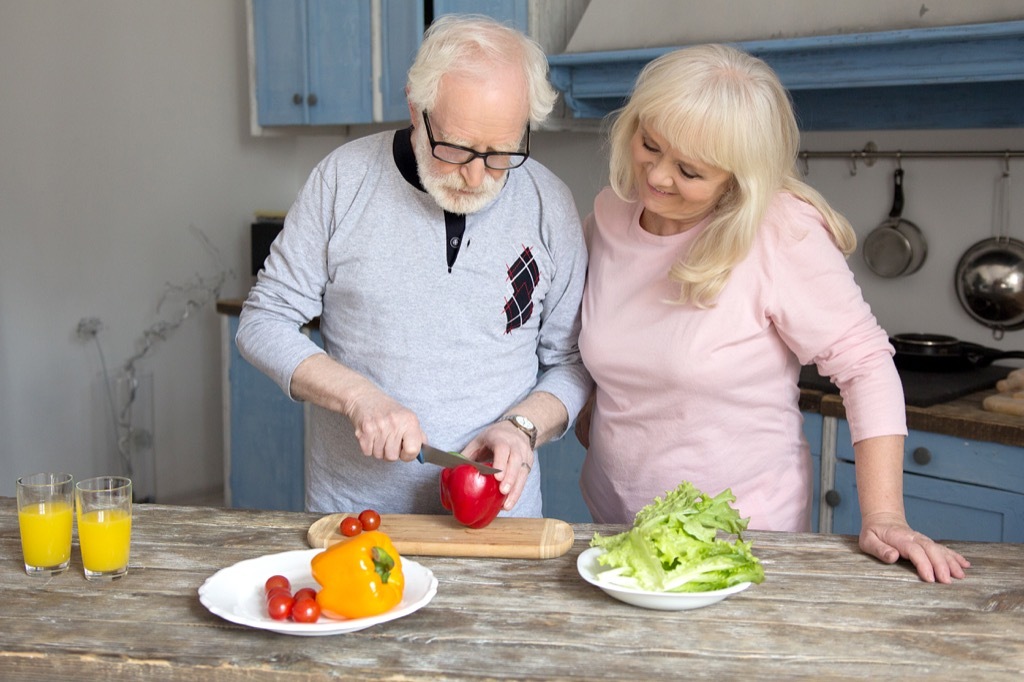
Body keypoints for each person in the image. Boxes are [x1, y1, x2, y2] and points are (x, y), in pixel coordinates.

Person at [574, 44, 969, 583]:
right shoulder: (609, 216)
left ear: (737, 179)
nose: (658, 177)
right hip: (617, 530)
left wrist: (885, 516)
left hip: (741, 541)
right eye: (649, 145)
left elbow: (866, 365)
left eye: (689, 170)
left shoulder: (780, 231)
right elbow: (586, 346)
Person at [237, 15, 589, 517]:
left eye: (500, 154)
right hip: (358, 516)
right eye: (456, 148)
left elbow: (571, 363)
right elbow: (262, 320)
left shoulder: (549, 204)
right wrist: (358, 397)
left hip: (500, 521)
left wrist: (523, 427)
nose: (475, 176)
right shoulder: (342, 181)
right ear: (415, 105)